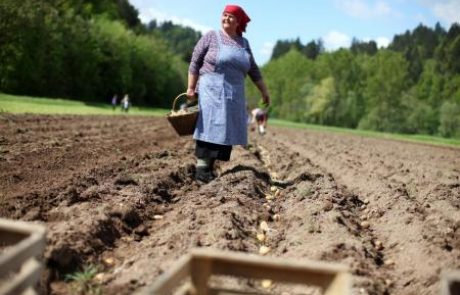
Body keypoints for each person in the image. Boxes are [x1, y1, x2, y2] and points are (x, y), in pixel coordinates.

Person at [186, 4, 270, 183]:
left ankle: (208, 168)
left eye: (231, 16)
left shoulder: (244, 43)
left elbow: (253, 70)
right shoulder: (211, 37)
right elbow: (195, 62)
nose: (226, 18)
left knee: (223, 132)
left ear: (238, 21)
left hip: (234, 94)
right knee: (209, 127)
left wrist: (264, 91)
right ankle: (202, 169)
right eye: (224, 15)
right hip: (211, 90)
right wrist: (191, 88)